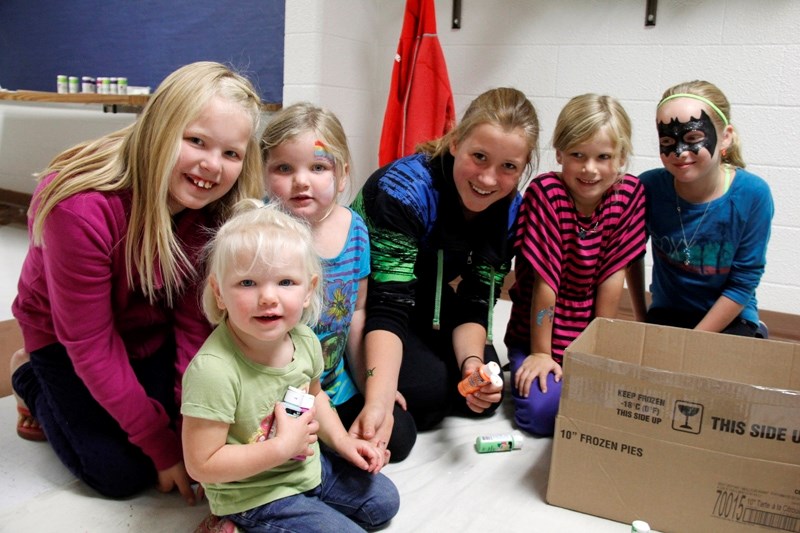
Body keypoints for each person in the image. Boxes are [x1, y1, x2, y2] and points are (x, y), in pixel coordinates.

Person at [10, 61, 265, 502]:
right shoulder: (81, 207)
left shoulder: (212, 210)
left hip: (147, 322)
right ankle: (26, 376)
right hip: (68, 336)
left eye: (231, 153)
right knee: (120, 473)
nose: (211, 166)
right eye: (196, 141)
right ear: (162, 129)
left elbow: (194, 326)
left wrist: (193, 436)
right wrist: (164, 449)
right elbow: (90, 344)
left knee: (189, 424)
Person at [181, 200, 399, 532]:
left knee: (383, 502)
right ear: (219, 292)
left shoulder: (304, 340)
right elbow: (202, 464)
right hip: (256, 493)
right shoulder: (214, 371)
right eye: (247, 283)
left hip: (307, 466)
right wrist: (281, 448)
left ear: (309, 290)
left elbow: (316, 397)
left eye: (285, 282)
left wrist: (342, 442)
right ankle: (231, 524)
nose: (268, 297)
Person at [350, 87, 541, 455]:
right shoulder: (403, 190)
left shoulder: (511, 210)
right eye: (479, 157)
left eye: (508, 167)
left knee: (484, 388)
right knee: (431, 392)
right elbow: (388, 304)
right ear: (455, 141)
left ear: (524, 166)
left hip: (424, 298)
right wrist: (379, 398)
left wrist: (472, 366)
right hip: (368, 303)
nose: (488, 179)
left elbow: (475, 299)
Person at [261, 102, 414, 462]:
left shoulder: (355, 230)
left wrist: (372, 386)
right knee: (295, 455)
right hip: (280, 393)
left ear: (342, 175)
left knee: (399, 433)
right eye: (284, 168)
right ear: (265, 173)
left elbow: (358, 313)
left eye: (318, 167)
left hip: (334, 385)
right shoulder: (260, 235)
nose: (301, 180)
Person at [504, 94, 646, 436]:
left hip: (586, 335)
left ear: (622, 157)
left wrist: (594, 355)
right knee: (541, 416)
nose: (589, 169)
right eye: (578, 155)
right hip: (539, 332)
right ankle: (528, 364)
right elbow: (545, 284)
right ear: (560, 153)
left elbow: (613, 278)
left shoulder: (629, 195)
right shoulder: (546, 193)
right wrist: (540, 353)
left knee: (626, 407)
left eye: (603, 157)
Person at [627, 80, 774, 335]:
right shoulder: (649, 187)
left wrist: (692, 343)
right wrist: (641, 318)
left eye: (693, 138)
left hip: (731, 320)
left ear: (725, 137)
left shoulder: (753, 194)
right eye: (667, 141)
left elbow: (743, 283)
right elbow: (630, 254)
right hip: (667, 315)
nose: (680, 152)